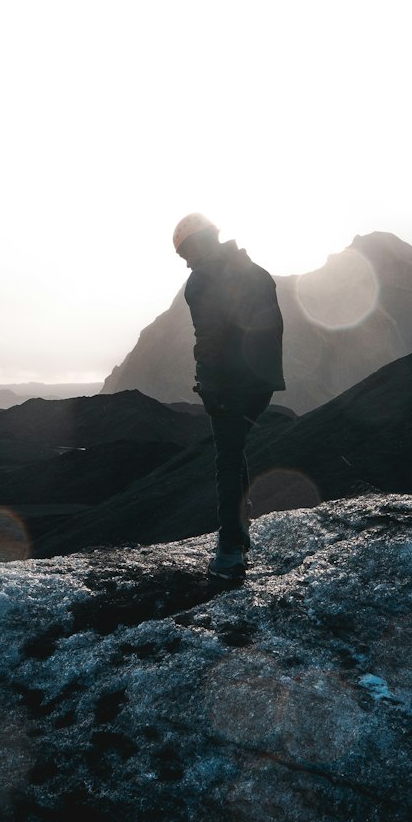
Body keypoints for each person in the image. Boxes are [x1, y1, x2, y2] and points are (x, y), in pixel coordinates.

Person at [173, 213, 285, 579]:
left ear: (196, 244)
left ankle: (230, 550)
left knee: (225, 458)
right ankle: (241, 528)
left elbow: (208, 339)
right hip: (262, 384)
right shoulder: (257, 272)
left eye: (184, 253)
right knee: (235, 449)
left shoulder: (202, 279)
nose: (186, 262)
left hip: (231, 384)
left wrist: (208, 385)